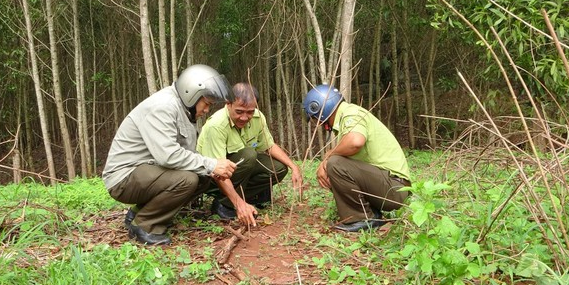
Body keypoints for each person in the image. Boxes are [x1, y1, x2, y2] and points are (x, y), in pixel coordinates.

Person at [102, 64, 238, 245]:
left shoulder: (184, 110)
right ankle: (144, 226)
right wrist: (211, 164)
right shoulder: (163, 107)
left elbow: (186, 154)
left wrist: (209, 168)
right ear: (191, 93)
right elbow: (168, 156)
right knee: (187, 179)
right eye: (206, 104)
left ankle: (139, 212)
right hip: (124, 177)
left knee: (203, 176)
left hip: (146, 171)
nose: (207, 110)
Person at [303, 84, 411, 232]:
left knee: (335, 163)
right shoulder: (347, 117)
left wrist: (328, 157)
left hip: (394, 189)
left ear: (321, 109)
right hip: (390, 186)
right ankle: (372, 213)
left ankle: (363, 218)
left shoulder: (351, 113)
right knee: (336, 164)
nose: (318, 123)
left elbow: (355, 142)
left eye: (315, 118)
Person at [197, 83, 303, 226]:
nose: (245, 118)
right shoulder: (216, 125)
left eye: (250, 112)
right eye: (239, 112)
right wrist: (238, 204)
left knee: (278, 168)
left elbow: (269, 145)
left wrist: (293, 167)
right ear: (228, 104)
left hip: (238, 170)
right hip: (210, 177)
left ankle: (247, 198)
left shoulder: (258, 118)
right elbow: (217, 173)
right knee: (249, 155)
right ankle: (225, 204)